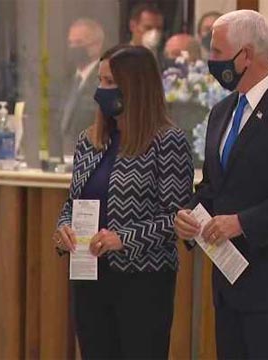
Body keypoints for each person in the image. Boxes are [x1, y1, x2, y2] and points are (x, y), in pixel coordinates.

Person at [174, 10, 268, 359]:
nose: (209, 61)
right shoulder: (222, 112)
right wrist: (191, 215)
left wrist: (242, 222)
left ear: (247, 54)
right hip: (230, 286)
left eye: (216, 51)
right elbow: (215, 186)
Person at [53, 44, 193, 359]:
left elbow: (177, 219)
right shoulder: (89, 140)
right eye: (99, 81)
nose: (101, 90)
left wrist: (123, 239)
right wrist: (63, 227)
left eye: (109, 82)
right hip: (89, 276)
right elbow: (74, 201)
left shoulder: (167, 141)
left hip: (142, 281)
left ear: (135, 86)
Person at [59, 18, 105, 156]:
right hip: (66, 157)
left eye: (79, 43)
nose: (73, 47)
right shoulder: (68, 82)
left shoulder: (105, 80)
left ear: (97, 45)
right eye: (70, 43)